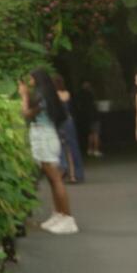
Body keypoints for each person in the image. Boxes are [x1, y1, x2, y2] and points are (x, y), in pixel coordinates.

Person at [19, 69, 78, 234]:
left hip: (45, 136)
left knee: (55, 178)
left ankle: (68, 218)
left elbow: (26, 113)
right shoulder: (44, 94)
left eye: (31, 78)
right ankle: (60, 214)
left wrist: (24, 95)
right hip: (43, 135)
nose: (29, 82)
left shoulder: (42, 96)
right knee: (52, 179)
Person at [51, 73, 85, 183]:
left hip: (59, 122)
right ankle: (75, 173)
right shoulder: (67, 94)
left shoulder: (53, 95)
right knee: (72, 147)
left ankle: (63, 170)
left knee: (61, 148)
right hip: (69, 121)